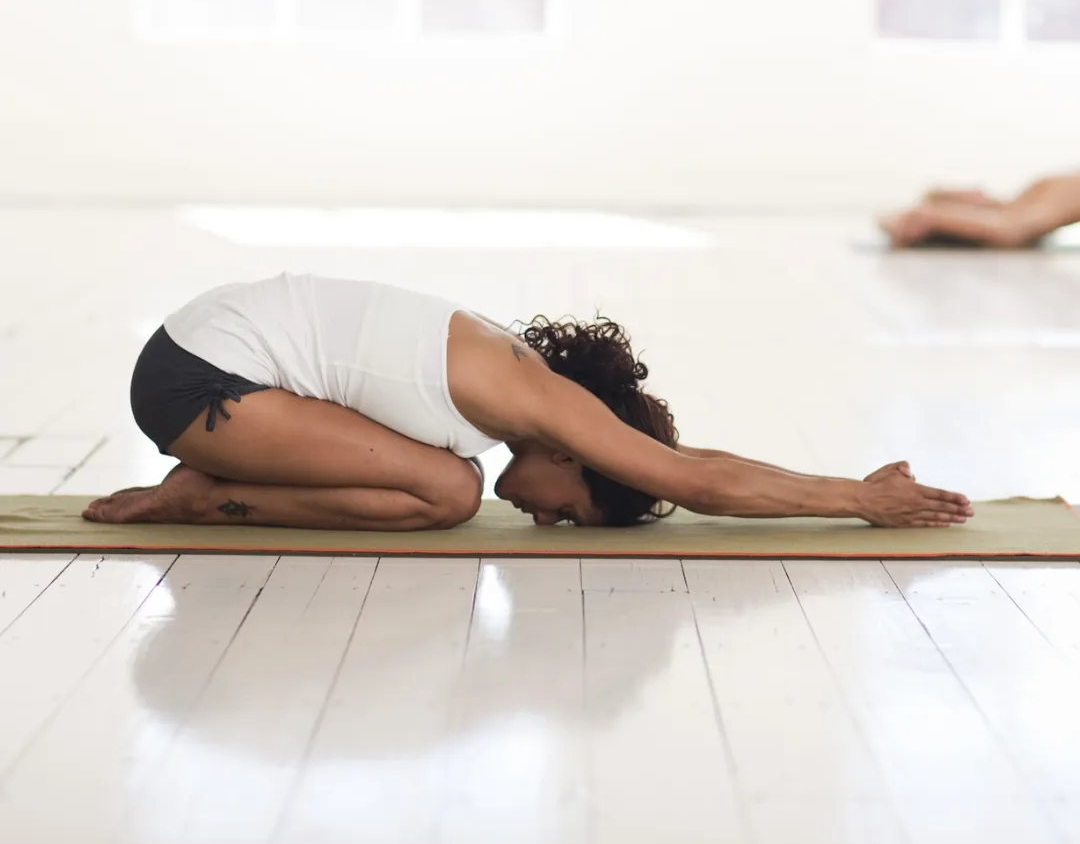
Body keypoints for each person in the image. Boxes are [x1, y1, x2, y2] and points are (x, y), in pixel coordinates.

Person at [83, 273, 973, 531]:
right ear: (573, 455)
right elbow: (691, 479)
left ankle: (204, 484)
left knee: (447, 478)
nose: (551, 523)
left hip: (207, 359)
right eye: (576, 512)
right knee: (449, 494)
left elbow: (688, 467)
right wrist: (856, 498)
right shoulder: (534, 399)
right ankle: (196, 494)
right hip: (199, 380)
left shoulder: (515, 392)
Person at [879, 171, 1080, 248]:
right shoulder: (1017, 216)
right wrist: (934, 217)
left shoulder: (1024, 201)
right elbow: (1009, 231)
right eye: (963, 196)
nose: (977, 190)